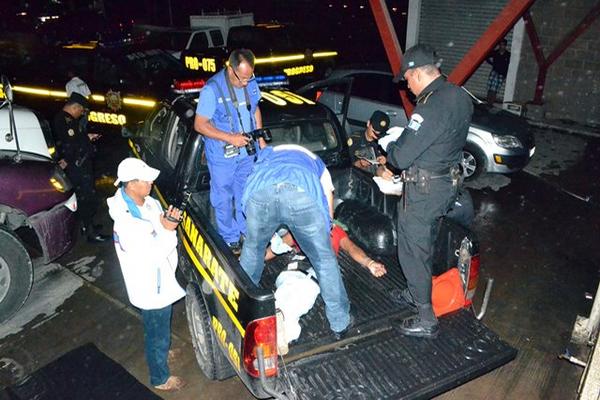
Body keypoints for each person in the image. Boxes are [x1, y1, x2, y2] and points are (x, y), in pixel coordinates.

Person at [379, 44, 473, 338]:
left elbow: (401, 157)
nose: (407, 86)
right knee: (425, 241)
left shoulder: (431, 106)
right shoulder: (459, 95)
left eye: (407, 79)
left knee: (412, 249)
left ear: (418, 74)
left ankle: (425, 317)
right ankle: (414, 291)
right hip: (446, 184)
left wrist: (391, 148)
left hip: (424, 190)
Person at [240, 144, 351, 339]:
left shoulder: (266, 154)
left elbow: (250, 185)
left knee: (252, 250)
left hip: (261, 193)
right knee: (324, 261)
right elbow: (328, 196)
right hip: (300, 193)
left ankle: (243, 309)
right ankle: (339, 323)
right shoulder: (315, 160)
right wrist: (326, 229)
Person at [107, 157, 186, 392]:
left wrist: (163, 222)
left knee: (159, 326)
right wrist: (169, 230)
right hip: (151, 286)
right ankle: (159, 377)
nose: (151, 183)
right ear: (131, 184)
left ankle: (162, 351)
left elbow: (157, 224)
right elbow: (154, 253)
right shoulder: (127, 223)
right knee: (156, 332)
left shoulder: (146, 201)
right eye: (146, 180)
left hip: (161, 279)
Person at [193, 48, 263, 254]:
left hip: (247, 153)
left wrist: (259, 138)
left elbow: (255, 109)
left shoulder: (250, 82)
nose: (246, 83)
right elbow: (200, 124)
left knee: (246, 193)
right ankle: (230, 237)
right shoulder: (212, 90)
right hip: (223, 155)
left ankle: (246, 230)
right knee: (223, 197)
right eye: (242, 78)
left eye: (249, 77)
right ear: (230, 69)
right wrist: (230, 138)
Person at [52, 92, 108, 243]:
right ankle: (90, 233)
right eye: (81, 110)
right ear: (75, 107)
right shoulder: (65, 120)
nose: (81, 114)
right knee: (86, 198)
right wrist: (68, 159)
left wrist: (87, 137)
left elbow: (75, 140)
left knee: (86, 197)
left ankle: (88, 225)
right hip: (77, 166)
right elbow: (70, 145)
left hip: (79, 164)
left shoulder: (69, 120)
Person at [265, 221, 387, 278]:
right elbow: (275, 249)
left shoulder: (335, 231)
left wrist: (369, 262)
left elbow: (351, 248)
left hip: (321, 274)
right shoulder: (300, 229)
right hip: (296, 269)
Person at [349, 110, 393, 178]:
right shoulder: (355, 139)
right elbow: (347, 166)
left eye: (379, 133)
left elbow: (383, 166)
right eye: (374, 132)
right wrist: (359, 163)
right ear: (368, 123)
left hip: (376, 176)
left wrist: (386, 161)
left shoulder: (383, 142)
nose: (376, 136)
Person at [485, 39, 511, 105]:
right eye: (501, 45)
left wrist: (505, 74)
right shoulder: (495, 52)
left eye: (503, 45)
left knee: (495, 89)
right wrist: (492, 63)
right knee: (490, 88)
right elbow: (486, 56)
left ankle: (490, 103)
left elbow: (509, 65)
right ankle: (488, 103)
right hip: (494, 72)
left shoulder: (507, 54)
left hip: (501, 74)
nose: (502, 47)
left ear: (505, 46)